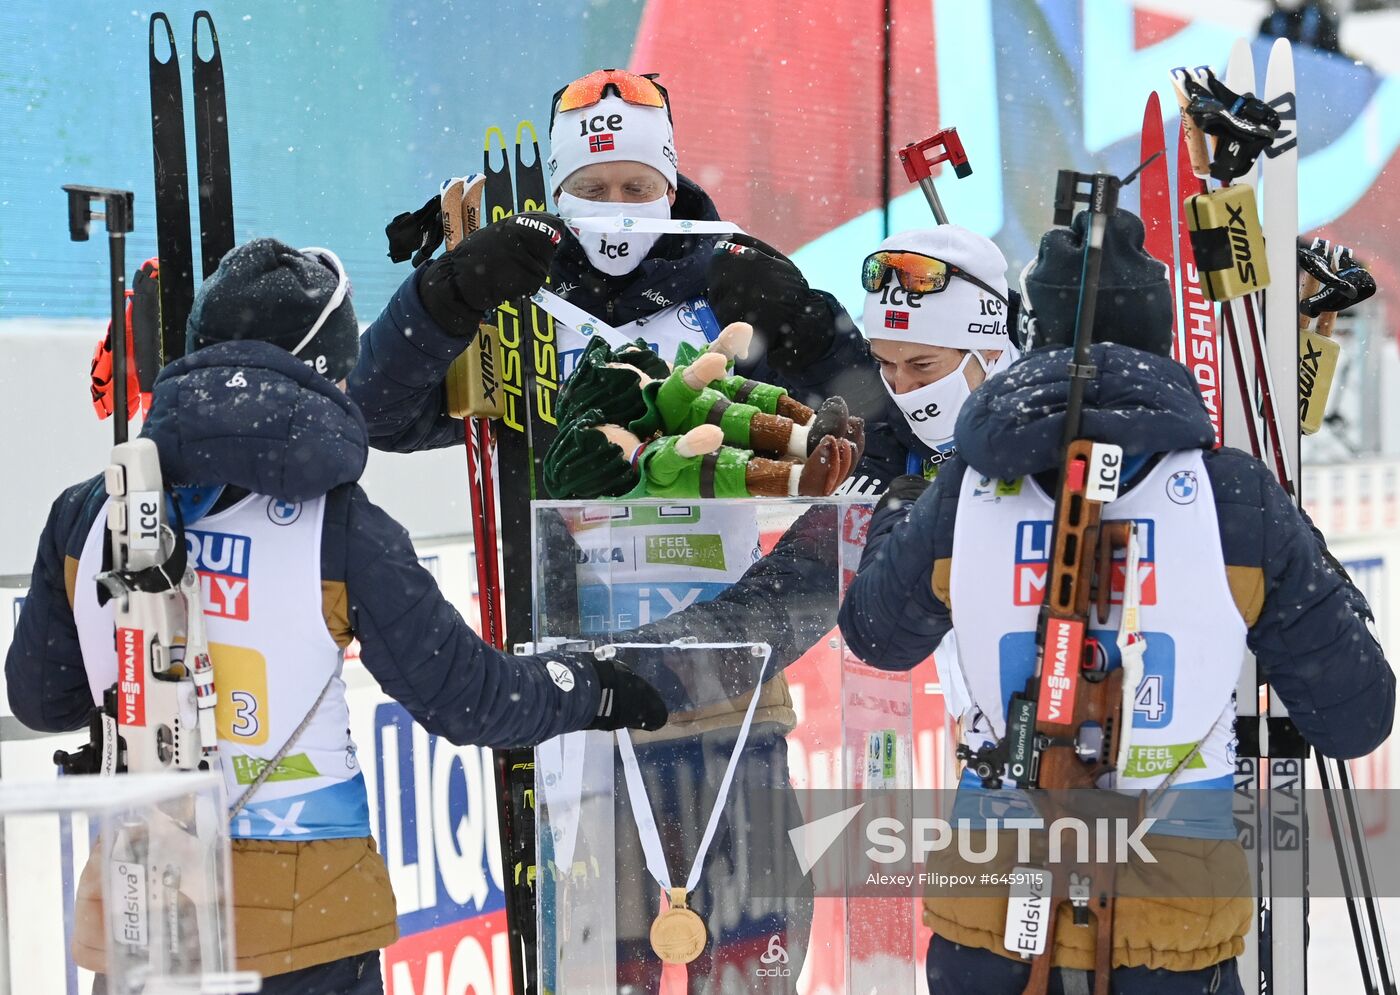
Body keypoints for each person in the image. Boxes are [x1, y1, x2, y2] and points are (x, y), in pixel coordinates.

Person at [4, 237, 667, 994]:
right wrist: (593, 686)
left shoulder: (88, 510)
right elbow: (471, 699)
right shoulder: (341, 527)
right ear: (324, 375)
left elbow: (42, 700)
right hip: (308, 933)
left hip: (143, 925)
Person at [838, 209, 1395, 994]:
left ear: (1032, 342)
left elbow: (876, 635)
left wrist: (902, 513)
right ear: (1160, 337)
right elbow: (1357, 714)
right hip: (1170, 928)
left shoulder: (966, 484)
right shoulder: (1234, 496)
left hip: (991, 924)